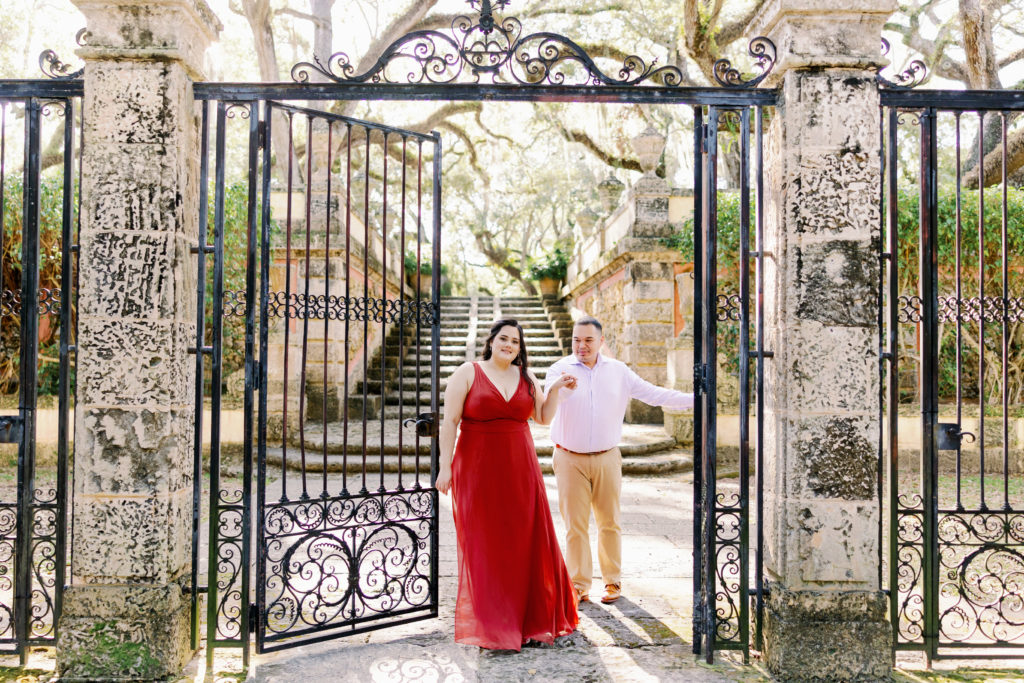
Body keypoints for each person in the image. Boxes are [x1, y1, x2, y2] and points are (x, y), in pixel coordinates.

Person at [435, 318, 579, 650]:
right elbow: (449, 422)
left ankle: (530, 620)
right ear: (491, 341)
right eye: (504, 339)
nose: (509, 345)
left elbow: (542, 417)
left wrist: (555, 389)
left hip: (520, 470)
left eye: (515, 342)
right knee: (484, 544)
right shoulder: (467, 373)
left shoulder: (526, 376)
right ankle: (494, 625)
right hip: (477, 469)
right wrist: (445, 467)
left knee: (524, 541)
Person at [545, 316, 693, 605]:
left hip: (607, 457)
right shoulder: (558, 369)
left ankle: (612, 581)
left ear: (601, 342)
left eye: (588, 340)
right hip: (568, 458)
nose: (581, 345)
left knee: (609, 522)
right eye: (577, 339)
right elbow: (544, 408)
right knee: (575, 525)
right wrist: (558, 390)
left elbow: (654, 394)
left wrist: (695, 399)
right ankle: (578, 584)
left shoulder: (618, 371)